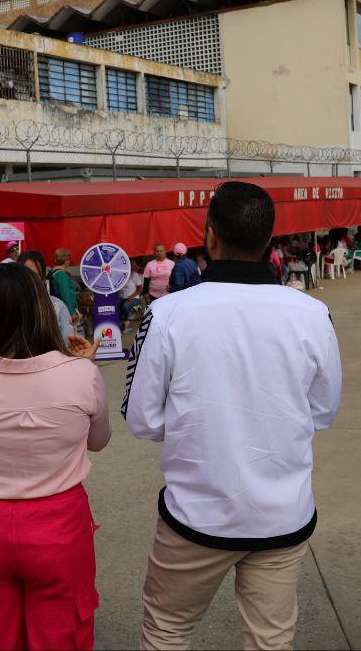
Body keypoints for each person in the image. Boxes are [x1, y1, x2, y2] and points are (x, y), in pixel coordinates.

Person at [125, 181, 342, 650]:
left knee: (166, 632)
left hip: (196, 514)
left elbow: (142, 419)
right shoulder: (312, 313)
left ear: (209, 235)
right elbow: (322, 411)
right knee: (270, 641)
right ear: (270, 238)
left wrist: (199, 425)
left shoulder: (166, 314)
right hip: (282, 516)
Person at [0, 263, 108, 650]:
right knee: (61, 633)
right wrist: (82, 371)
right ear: (41, 308)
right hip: (59, 524)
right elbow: (98, 441)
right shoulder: (81, 375)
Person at [20, 249, 75, 338]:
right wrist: (72, 312)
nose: (30, 279)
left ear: (42, 277)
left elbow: (68, 344)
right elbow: (65, 294)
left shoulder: (58, 307)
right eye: (25, 274)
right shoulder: (9, 306)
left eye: (35, 275)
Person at [50, 247, 80, 318]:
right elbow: (65, 295)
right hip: (65, 311)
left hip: (58, 308)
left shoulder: (52, 272)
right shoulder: (61, 274)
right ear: (66, 261)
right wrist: (72, 313)